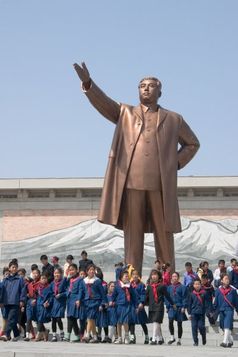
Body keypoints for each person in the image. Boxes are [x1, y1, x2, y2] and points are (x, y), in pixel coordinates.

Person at [73, 62, 200, 275]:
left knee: (164, 234)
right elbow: (104, 104)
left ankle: (167, 279)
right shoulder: (126, 113)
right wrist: (88, 84)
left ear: (160, 91)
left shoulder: (174, 119)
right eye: (142, 85)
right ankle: (132, 280)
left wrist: (174, 164)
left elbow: (193, 144)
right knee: (133, 237)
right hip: (131, 182)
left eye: (150, 85)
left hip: (160, 184)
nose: (146, 88)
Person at [146, 269, 174, 345]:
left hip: (159, 306)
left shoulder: (162, 286)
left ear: (159, 276)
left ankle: (154, 339)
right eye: (152, 275)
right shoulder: (149, 287)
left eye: (155, 275)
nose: (154, 276)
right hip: (152, 307)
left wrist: (173, 304)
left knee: (156, 321)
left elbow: (167, 296)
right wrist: (141, 303)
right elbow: (146, 297)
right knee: (156, 323)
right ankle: (160, 338)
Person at [80, 264, 107, 343]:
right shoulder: (84, 281)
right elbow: (82, 291)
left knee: (90, 318)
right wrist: (79, 300)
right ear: (87, 271)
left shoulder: (97, 280)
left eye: (93, 270)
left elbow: (102, 293)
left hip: (96, 301)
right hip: (87, 301)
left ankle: (87, 335)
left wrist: (104, 302)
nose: (92, 271)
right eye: (90, 270)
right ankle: (95, 337)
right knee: (91, 320)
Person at [0, 260, 26, 341]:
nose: (14, 268)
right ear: (10, 268)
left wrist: (22, 300)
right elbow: (2, 290)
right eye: (13, 267)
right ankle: (17, 335)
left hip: (15, 302)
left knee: (11, 319)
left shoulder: (20, 279)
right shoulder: (5, 279)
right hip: (6, 302)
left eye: (15, 267)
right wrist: (1, 301)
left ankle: (6, 335)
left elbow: (23, 290)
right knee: (11, 319)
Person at [110, 270, 137, 344]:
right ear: (121, 278)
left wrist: (135, 306)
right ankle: (119, 337)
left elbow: (134, 296)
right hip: (119, 306)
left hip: (127, 306)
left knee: (125, 321)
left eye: (128, 276)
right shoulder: (117, 286)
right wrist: (111, 301)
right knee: (118, 322)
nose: (127, 277)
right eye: (125, 276)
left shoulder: (129, 286)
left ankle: (127, 336)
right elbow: (113, 295)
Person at [213, 273, 238, 348]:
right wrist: (213, 311)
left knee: (227, 324)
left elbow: (236, 302)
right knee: (223, 326)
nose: (227, 280)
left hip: (229, 310)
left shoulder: (233, 291)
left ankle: (224, 342)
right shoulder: (218, 291)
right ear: (222, 281)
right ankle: (230, 341)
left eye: (228, 279)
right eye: (225, 279)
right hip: (221, 310)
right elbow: (216, 302)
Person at [165, 272, 188, 345]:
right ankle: (172, 337)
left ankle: (179, 340)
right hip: (172, 307)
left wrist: (184, 307)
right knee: (170, 321)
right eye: (173, 276)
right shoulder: (169, 287)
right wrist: (167, 306)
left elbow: (185, 297)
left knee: (179, 324)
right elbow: (167, 298)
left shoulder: (183, 287)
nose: (174, 278)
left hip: (179, 307)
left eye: (175, 276)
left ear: (178, 278)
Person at [130, 270, 149, 344]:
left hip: (139, 305)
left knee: (142, 322)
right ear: (131, 276)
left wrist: (141, 302)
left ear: (138, 276)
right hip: (132, 305)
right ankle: (132, 337)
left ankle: (147, 336)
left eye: (136, 274)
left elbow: (143, 294)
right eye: (133, 274)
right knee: (131, 322)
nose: (135, 276)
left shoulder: (141, 285)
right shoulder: (129, 284)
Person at [49, 267, 67, 342]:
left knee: (58, 318)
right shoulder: (52, 283)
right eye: (55, 273)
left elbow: (67, 292)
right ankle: (54, 335)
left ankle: (62, 333)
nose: (56, 274)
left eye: (58, 273)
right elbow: (50, 293)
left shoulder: (64, 281)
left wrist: (61, 295)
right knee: (53, 319)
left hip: (61, 302)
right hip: (54, 302)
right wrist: (48, 301)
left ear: (61, 274)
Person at [187, 279, 207, 346]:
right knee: (194, 327)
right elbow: (189, 304)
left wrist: (207, 311)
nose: (197, 285)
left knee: (201, 327)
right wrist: (189, 313)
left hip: (201, 313)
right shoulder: (191, 294)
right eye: (195, 284)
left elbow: (206, 303)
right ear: (193, 285)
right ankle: (195, 341)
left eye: (198, 284)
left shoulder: (204, 293)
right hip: (193, 313)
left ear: (200, 285)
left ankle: (203, 336)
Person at [24, 268, 41, 341]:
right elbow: (25, 293)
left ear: (39, 274)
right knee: (29, 319)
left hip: (38, 303)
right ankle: (27, 335)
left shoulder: (41, 283)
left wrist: (36, 300)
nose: (35, 274)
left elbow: (42, 294)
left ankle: (39, 334)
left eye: (36, 273)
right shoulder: (29, 284)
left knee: (38, 320)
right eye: (33, 273)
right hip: (29, 303)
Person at [35, 273, 52, 342]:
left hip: (44, 305)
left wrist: (48, 302)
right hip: (38, 304)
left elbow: (51, 296)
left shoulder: (49, 287)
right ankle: (45, 332)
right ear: (40, 280)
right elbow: (35, 295)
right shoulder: (38, 287)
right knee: (38, 320)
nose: (44, 280)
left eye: (45, 278)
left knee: (40, 319)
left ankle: (39, 334)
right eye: (42, 278)